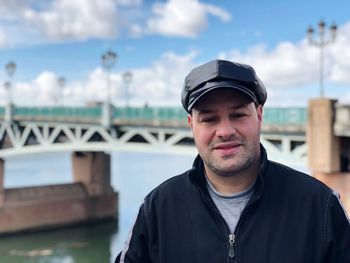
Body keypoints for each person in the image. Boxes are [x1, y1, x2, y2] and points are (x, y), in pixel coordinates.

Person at [115, 59, 350, 263]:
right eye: (209, 119)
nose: (225, 131)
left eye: (238, 115)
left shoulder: (320, 206)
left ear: (259, 116)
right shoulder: (156, 209)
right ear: (191, 126)